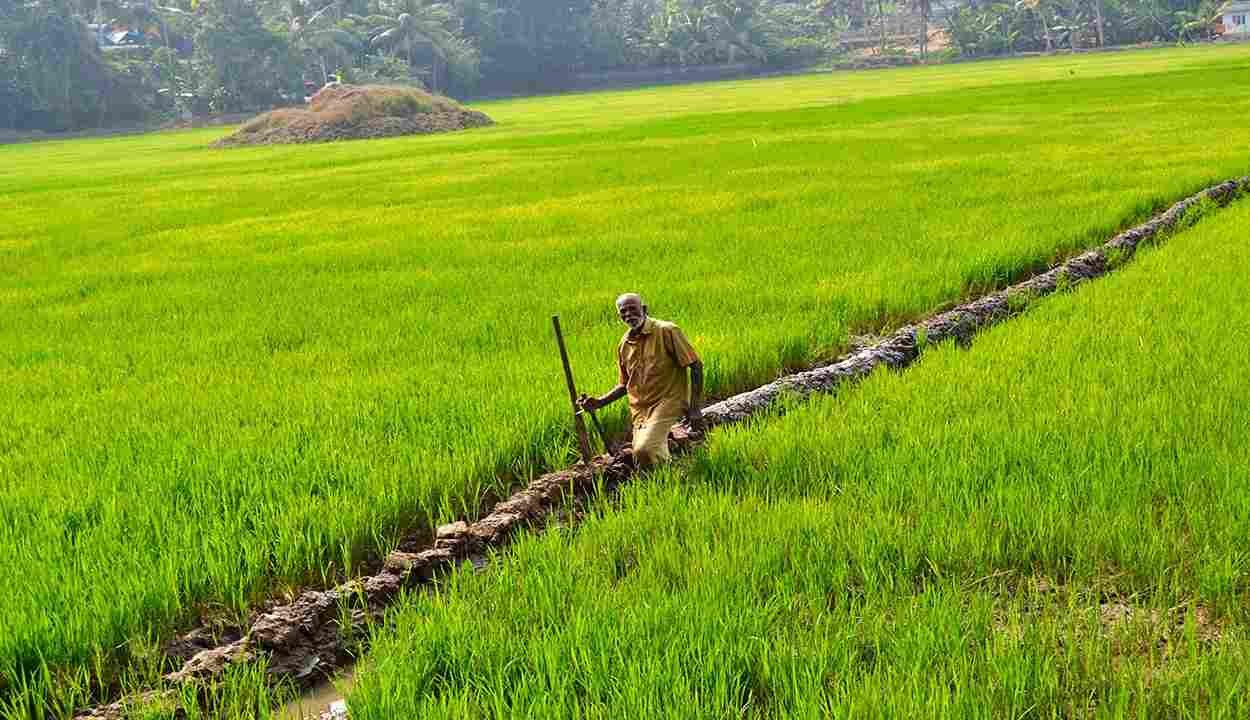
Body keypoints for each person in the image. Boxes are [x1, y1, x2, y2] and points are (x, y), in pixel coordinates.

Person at [578, 293, 703, 466]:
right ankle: (670, 473)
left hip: (668, 401)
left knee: (644, 450)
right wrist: (599, 402)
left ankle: (668, 471)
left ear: (644, 309)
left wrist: (695, 408)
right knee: (641, 458)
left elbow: (696, 365)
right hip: (640, 411)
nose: (628, 314)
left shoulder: (666, 331)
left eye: (632, 309)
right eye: (623, 311)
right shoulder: (624, 344)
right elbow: (625, 384)